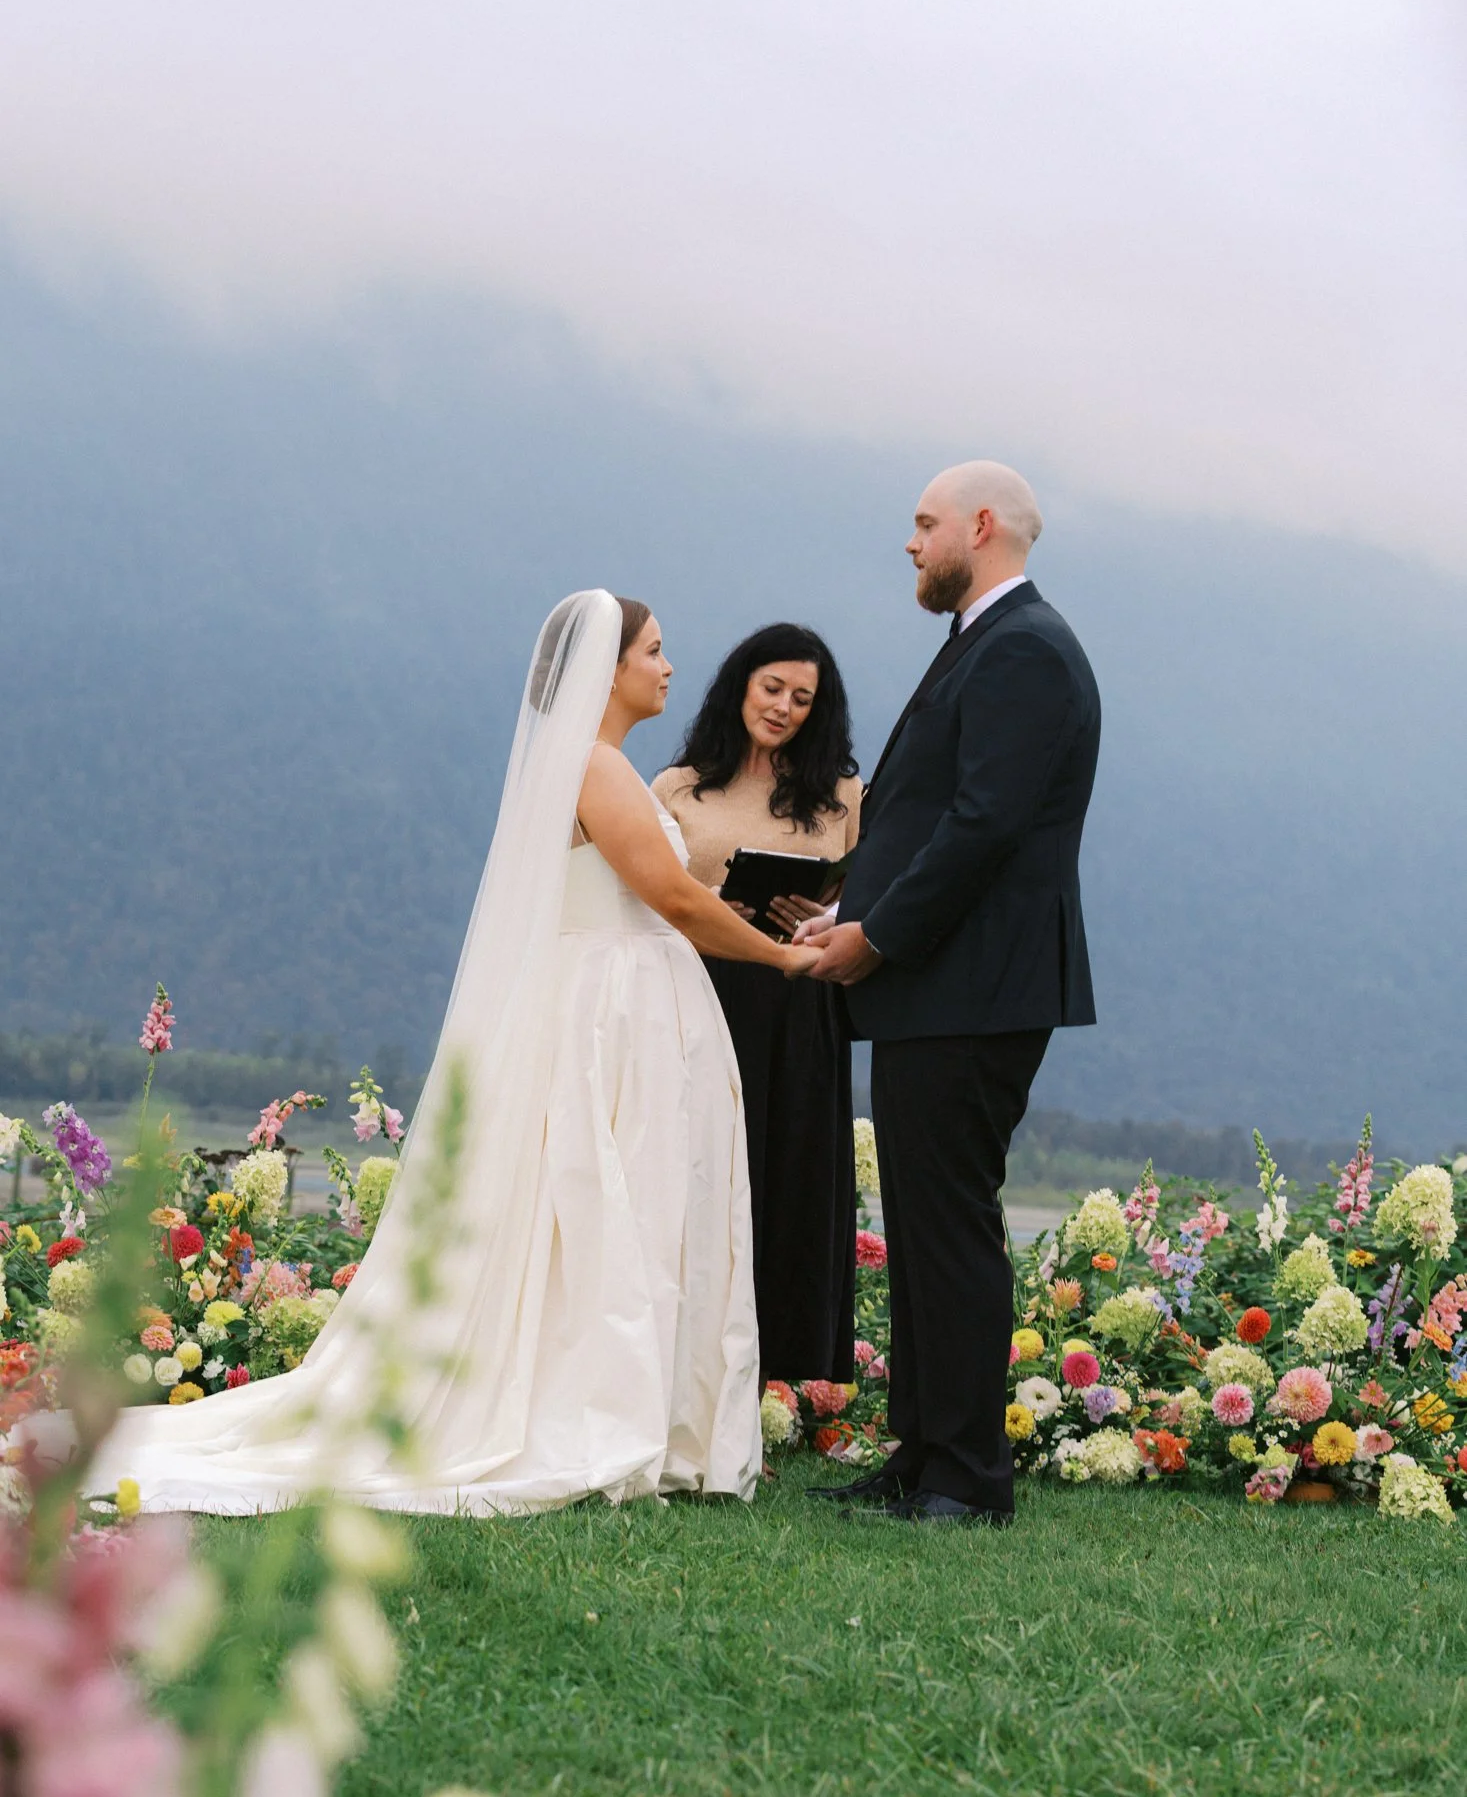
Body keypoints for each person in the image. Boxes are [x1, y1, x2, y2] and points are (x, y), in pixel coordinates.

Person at [88, 592, 817, 1516]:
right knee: (611, 1202)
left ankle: (647, 1411)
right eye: (655, 652)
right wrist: (784, 957)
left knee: (630, 1205)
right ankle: (604, 1412)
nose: (669, 668)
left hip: (630, 1002)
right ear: (610, 668)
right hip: (613, 1014)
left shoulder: (604, 768)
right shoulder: (594, 768)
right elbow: (670, 897)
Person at [799, 462, 1101, 1526]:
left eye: (925, 524)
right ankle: (921, 1455)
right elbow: (931, 818)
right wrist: (858, 912)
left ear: (983, 525)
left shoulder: (1022, 649)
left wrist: (877, 936)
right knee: (926, 1224)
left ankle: (968, 1479)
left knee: (952, 1224)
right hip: (947, 984)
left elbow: (983, 826)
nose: (912, 542)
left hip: (974, 987)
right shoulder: (987, 642)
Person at [652, 625, 862, 1384]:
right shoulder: (677, 786)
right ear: (740, 684)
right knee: (702, 1174)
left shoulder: (842, 794)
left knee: (794, 1181)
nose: (783, 707)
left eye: (802, 699)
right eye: (772, 688)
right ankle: (683, 1365)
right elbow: (647, 892)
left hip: (798, 1002)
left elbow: (862, 899)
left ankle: (785, 1377)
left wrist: (827, 910)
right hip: (699, 990)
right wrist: (713, 904)